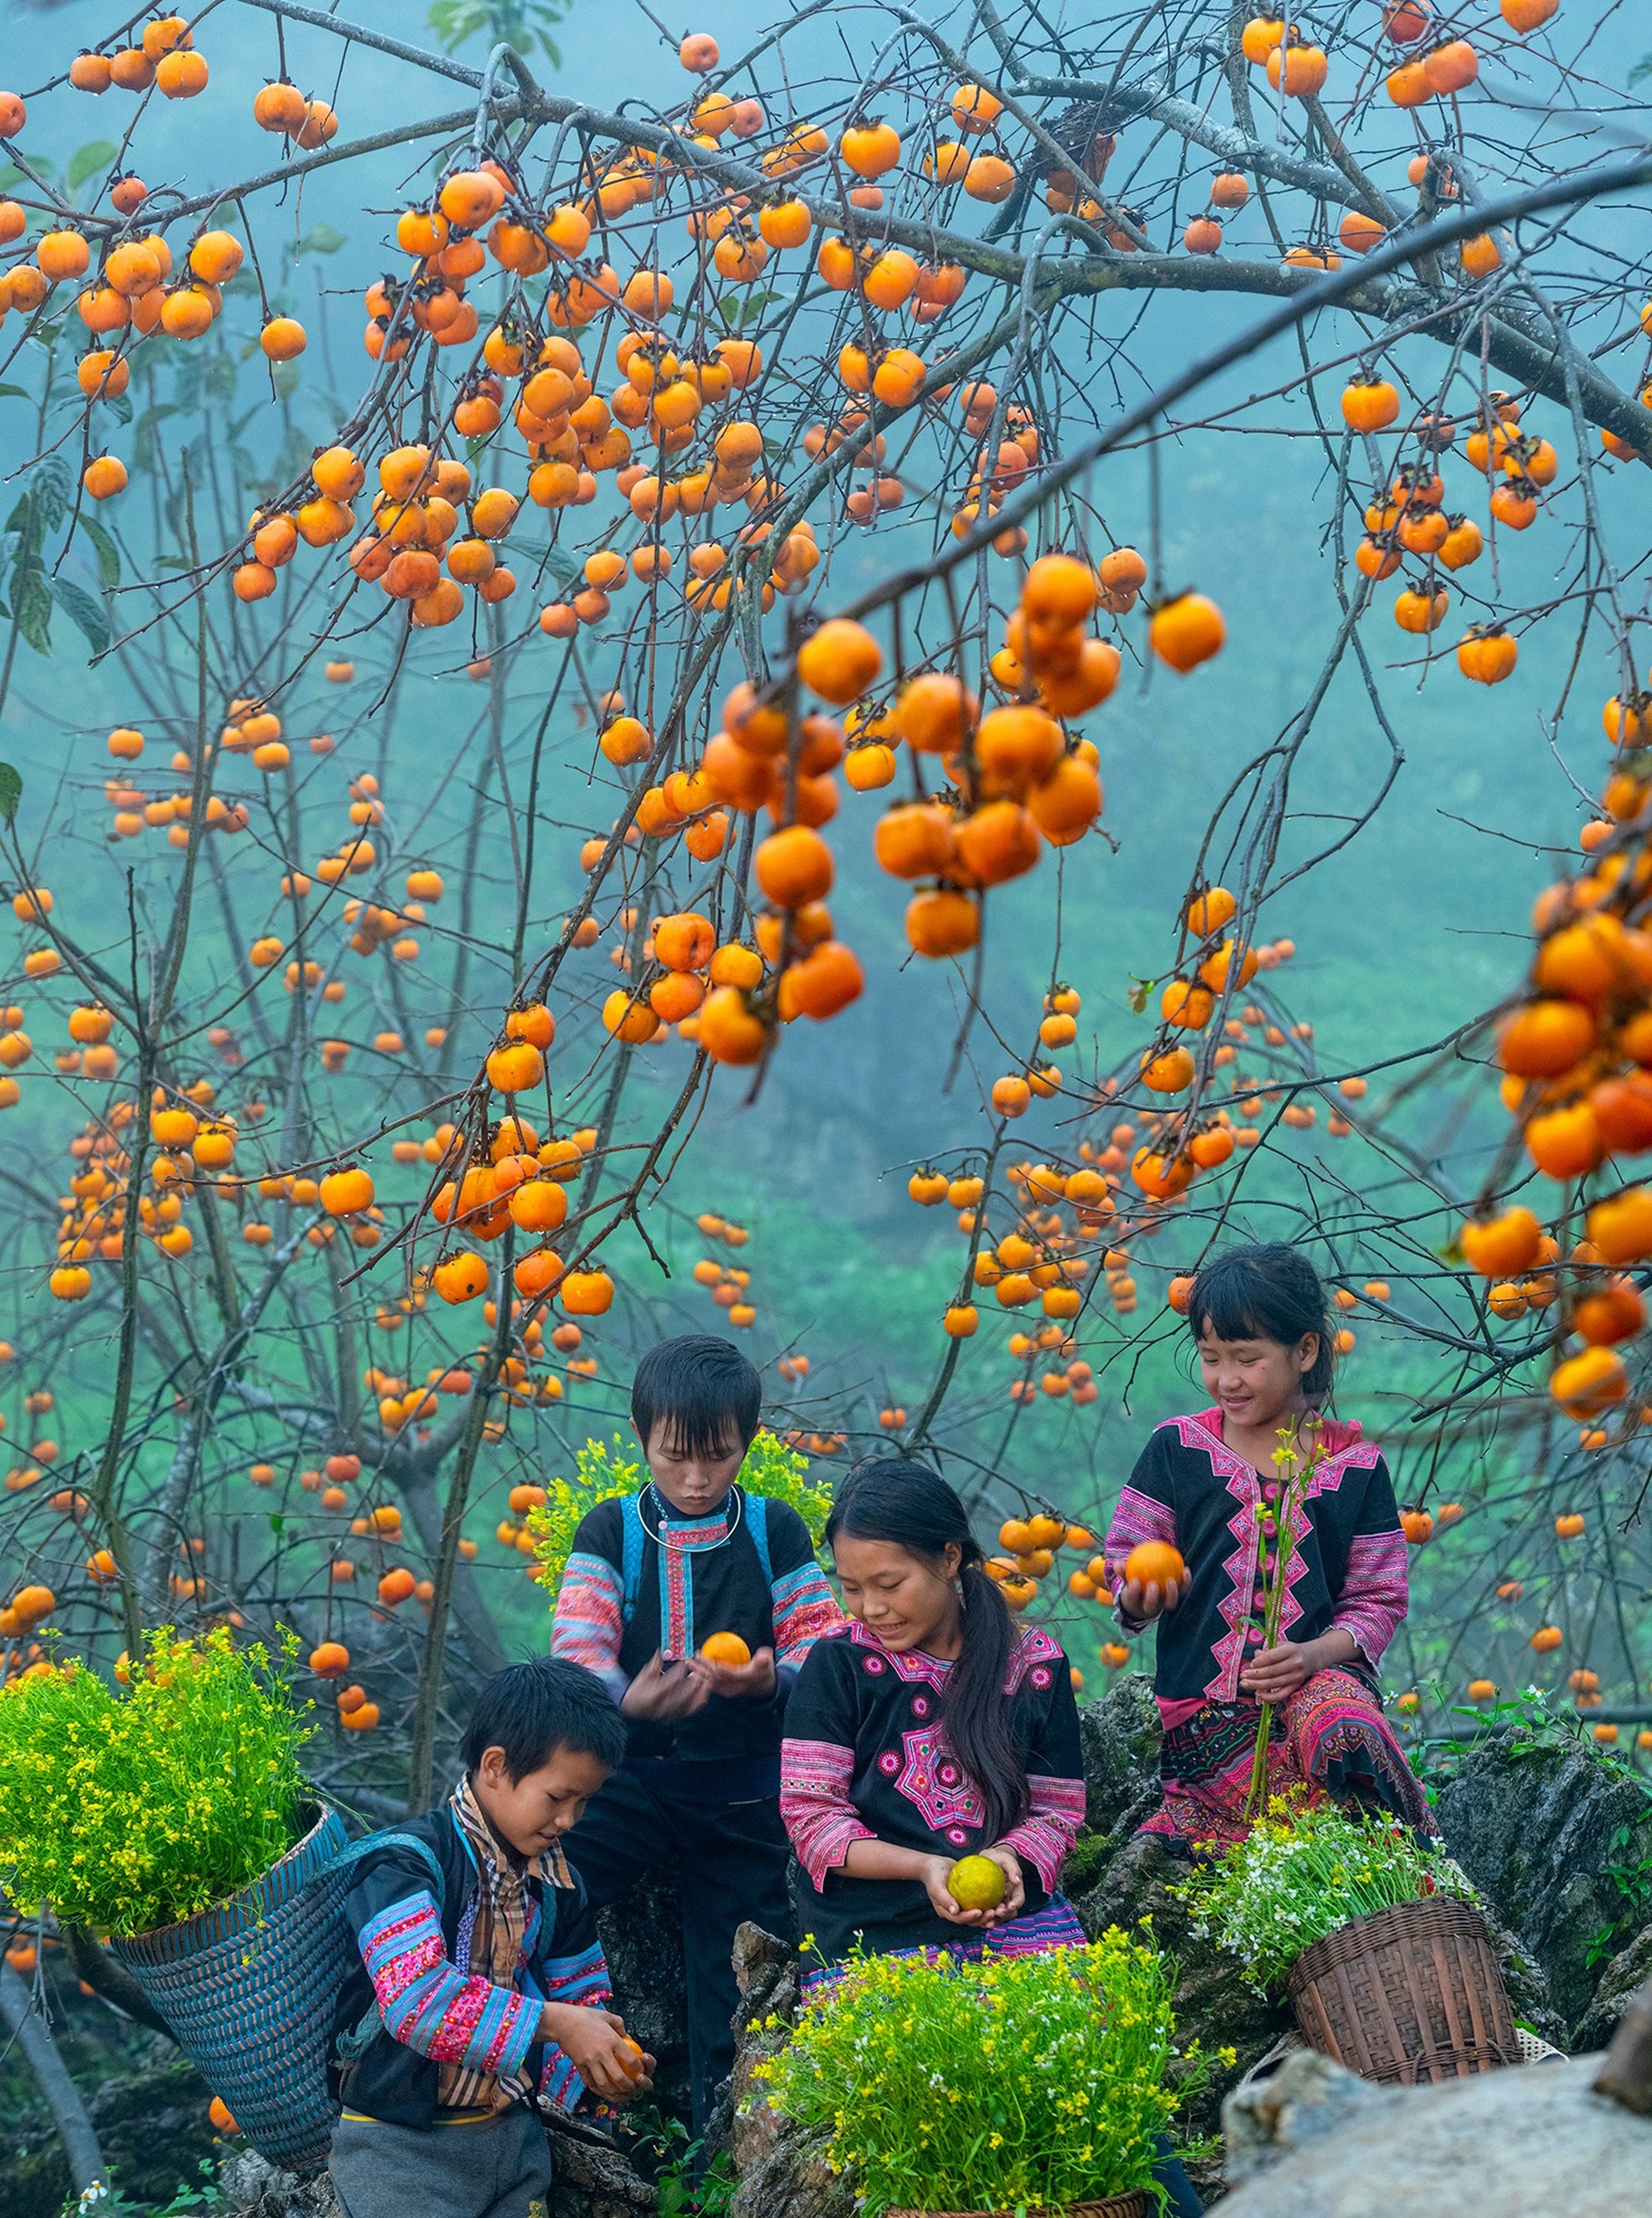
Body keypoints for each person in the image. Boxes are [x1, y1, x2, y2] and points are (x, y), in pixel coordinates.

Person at [781, 1456, 1204, 2218]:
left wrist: (1010, 1860)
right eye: (851, 1586)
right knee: (940, 2137)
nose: (870, 1605)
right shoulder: (837, 1666)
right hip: (877, 1930)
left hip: (1019, 1920)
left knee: (1104, 2105)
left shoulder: (1033, 1664)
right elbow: (812, 1818)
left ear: (949, 1558)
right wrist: (925, 1869)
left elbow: (1056, 1810)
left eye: (890, 1581)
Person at [550, 1333, 842, 2132]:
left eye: (717, 1456)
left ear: (746, 1443)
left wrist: (768, 1679)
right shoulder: (609, 1530)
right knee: (548, 1893)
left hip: (743, 1792)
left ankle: (723, 2156)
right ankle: (553, 2082)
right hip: (628, 1784)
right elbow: (577, 1656)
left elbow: (824, 1643)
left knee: (738, 1976)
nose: (695, 1476)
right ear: (643, 1437)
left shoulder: (773, 1530)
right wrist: (625, 1703)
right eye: (675, 1455)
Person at [1104, 1241, 1426, 1852]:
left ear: (1304, 1350)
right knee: (1274, 1832)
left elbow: (1378, 1599)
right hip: (1205, 1717)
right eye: (1211, 1358)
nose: (1227, 1379)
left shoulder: (1358, 1467)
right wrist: (1142, 1593)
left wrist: (1310, 1657)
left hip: (1318, 1695)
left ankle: (1412, 1869)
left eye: (1247, 1359)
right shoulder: (1176, 1449)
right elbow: (1127, 1555)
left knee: (1346, 1730)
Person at [327, 1656, 651, 2218]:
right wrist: (557, 2023)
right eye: (557, 1797)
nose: (570, 1819)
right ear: (495, 1765)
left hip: (514, 2141)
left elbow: (585, 2002)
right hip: (399, 2151)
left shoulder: (556, 1884)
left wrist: (604, 2069)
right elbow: (416, 1999)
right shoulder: (404, 1864)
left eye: (584, 1802)